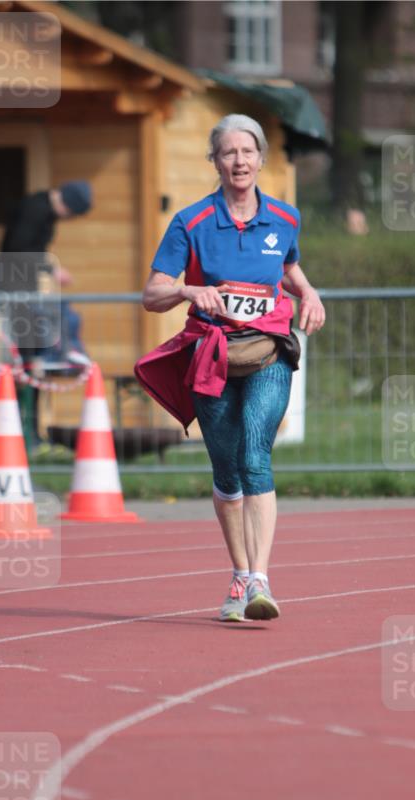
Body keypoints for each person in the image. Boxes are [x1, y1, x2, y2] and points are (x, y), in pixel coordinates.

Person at [137, 114, 325, 622]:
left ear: (261, 159)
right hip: (212, 355)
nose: (239, 161)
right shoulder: (191, 222)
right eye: (228, 153)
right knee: (226, 468)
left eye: (247, 152)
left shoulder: (285, 217)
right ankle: (240, 574)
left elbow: (287, 267)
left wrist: (309, 292)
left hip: (268, 351)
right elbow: (152, 293)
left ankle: (260, 580)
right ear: (215, 161)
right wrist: (187, 290)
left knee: (254, 455)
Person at [0, 180, 92, 448]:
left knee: (36, 358)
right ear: (66, 204)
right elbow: (18, 250)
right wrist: (51, 269)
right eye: (71, 213)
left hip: (28, 291)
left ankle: (31, 430)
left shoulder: (45, 212)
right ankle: (21, 431)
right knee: (27, 361)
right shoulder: (34, 210)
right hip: (15, 291)